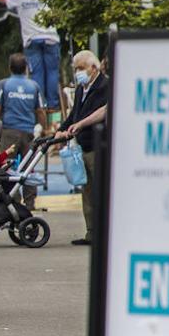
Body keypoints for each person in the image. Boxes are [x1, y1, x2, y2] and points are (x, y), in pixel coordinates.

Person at [55, 50, 109, 246]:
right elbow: (74, 116)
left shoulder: (105, 86)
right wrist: (61, 131)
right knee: (87, 192)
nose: (78, 73)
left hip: (98, 146)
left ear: (93, 68)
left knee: (100, 190)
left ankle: (104, 234)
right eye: (76, 69)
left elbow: (102, 112)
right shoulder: (80, 89)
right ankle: (91, 233)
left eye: (81, 68)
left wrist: (78, 126)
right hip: (83, 146)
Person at [0, 0, 60, 117]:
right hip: (51, 38)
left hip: (32, 40)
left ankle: (40, 104)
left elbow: (4, 0)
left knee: (37, 73)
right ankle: (53, 107)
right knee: (52, 73)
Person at [0, 53, 48, 210]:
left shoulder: (3, 84)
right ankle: (30, 203)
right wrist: (43, 129)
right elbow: (41, 111)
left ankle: (13, 201)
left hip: (9, 131)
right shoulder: (34, 86)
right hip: (29, 133)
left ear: (10, 67)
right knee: (29, 167)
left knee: (6, 167)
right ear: (25, 68)